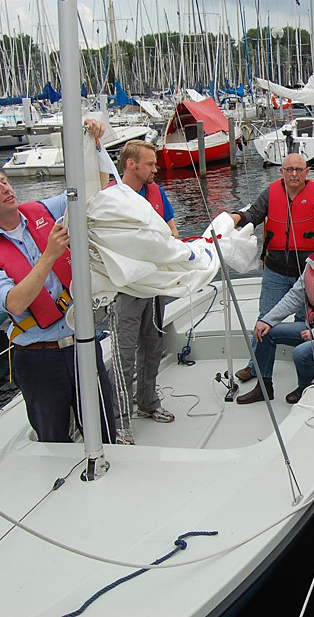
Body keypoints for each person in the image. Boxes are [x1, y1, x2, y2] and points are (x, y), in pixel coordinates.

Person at [0, 162, 117, 443]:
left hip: (81, 343)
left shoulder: (44, 211)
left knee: (105, 429)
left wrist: (91, 144)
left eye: (4, 181)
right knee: (52, 438)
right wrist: (49, 255)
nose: (6, 189)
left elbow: (91, 190)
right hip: (38, 357)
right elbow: (15, 303)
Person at [229, 152, 314, 383]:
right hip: (276, 269)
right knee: (265, 318)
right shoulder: (271, 193)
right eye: (289, 169)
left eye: (299, 170)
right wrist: (235, 217)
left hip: (306, 272)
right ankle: (255, 367)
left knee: (304, 322)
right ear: (282, 172)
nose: (294, 174)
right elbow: (254, 215)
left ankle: (304, 367)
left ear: (307, 172)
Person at [237, 220, 314, 405]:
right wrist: (267, 320)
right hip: (311, 326)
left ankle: (305, 386)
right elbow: (294, 297)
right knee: (266, 333)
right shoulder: (312, 265)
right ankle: (264, 387)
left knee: (301, 353)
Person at [110, 140, 178, 444]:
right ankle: (119, 420)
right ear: (131, 164)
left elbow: (172, 232)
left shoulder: (156, 193)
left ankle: (148, 403)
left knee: (153, 347)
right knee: (123, 355)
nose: (155, 168)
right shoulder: (113, 198)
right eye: (150, 164)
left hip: (153, 285)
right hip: (125, 290)